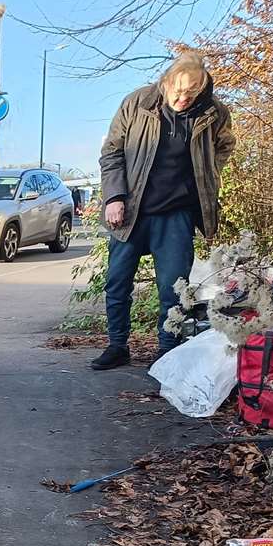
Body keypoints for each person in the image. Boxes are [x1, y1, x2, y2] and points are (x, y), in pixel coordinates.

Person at [92, 52, 235, 370]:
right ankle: (117, 345)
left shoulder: (213, 113)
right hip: (132, 210)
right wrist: (114, 197)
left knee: (174, 287)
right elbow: (112, 151)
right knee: (117, 282)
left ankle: (167, 352)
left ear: (200, 89)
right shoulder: (138, 103)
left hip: (177, 213)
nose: (183, 99)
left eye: (191, 93)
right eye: (178, 91)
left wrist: (209, 173)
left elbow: (225, 145)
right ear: (166, 82)